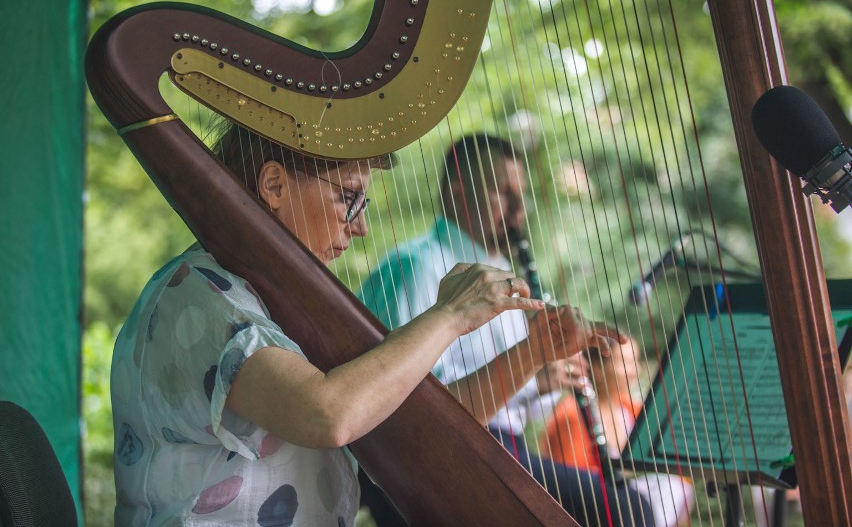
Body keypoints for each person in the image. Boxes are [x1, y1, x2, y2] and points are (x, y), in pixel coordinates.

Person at [109, 123, 622, 526]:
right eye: (347, 196)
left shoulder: (277, 305)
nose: (360, 225)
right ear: (273, 185)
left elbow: (415, 429)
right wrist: (450, 316)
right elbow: (327, 414)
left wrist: (532, 353)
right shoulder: (197, 294)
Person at [357, 134, 654, 526]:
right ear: (459, 189)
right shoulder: (417, 266)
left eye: (522, 194)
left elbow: (526, 409)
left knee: (625, 503)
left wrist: (549, 379)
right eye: (503, 192)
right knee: (627, 510)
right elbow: (415, 400)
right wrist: (532, 373)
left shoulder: (507, 279)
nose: (519, 208)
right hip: (444, 459)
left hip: (501, 449)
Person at [540, 340, 695, 527]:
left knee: (675, 486)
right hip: (596, 512)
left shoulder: (633, 409)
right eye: (625, 363)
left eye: (635, 362)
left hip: (632, 510)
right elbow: (573, 487)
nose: (634, 371)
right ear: (596, 368)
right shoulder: (570, 415)